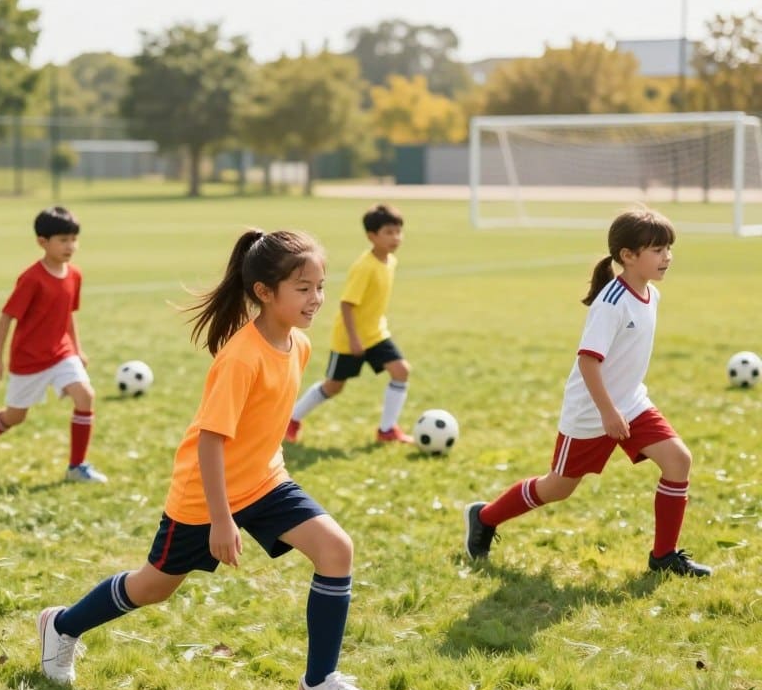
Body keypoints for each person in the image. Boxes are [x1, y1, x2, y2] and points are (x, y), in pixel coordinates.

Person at [36, 229, 386, 690]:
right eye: (303, 288)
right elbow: (210, 442)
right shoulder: (240, 357)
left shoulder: (299, 345)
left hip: (264, 481)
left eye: (321, 286)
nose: (316, 299)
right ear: (265, 292)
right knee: (154, 586)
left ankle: (319, 683)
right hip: (206, 492)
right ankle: (62, 626)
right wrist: (222, 519)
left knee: (336, 549)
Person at [464, 208, 710, 578]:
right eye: (658, 250)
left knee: (678, 461)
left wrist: (622, 407)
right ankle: (484, 517)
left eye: (668, 249)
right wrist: (609, 412)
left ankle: (664, 556)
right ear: (628, 256)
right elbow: (588, 362)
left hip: (632, 403)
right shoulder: (611, 303)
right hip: (591, 413)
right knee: (558, 488)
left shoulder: (651, 295)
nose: (667, 257)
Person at [0, 206, 107, 483]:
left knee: (85, 395)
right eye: (63, 240)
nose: (70, 246)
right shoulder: (32, 278)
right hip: (29, 360)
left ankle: (76, 467)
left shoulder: (75, 275)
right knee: (15, 417)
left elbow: (68, 315)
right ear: (43, 242)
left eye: (73, 239)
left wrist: (77, 349)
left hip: (62, 353)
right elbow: (6, 317)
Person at [286, 203, 414, 445]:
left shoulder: (390, 261)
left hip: (376, 334)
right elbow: (347, 304)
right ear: (371, 236)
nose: (396, 238)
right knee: (334, 387)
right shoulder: (365, 266)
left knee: (401, 371)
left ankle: (387, 430)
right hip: (349, 338)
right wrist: (355, 339)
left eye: (398, 232)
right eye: (389, 232)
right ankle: (292, 419)